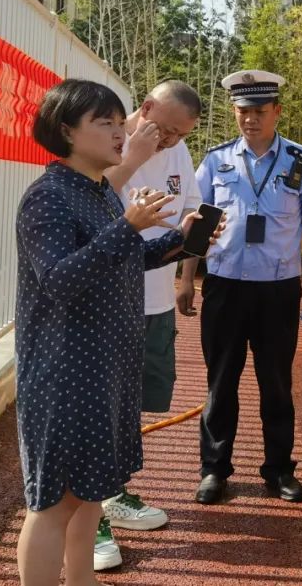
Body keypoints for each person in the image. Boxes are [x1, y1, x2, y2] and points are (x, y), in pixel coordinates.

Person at [14, 79, 224, 586]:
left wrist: (180, 241)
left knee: (88, 498)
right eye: (103, 122)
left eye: (117, 119)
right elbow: (60, 281)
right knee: (56, 504)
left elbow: (127, 259)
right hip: (67, 374)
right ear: (65, 130)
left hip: (104, 369)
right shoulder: (48, 198)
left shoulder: (98, 193)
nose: (118, 132)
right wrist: (127, 227)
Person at [181, 69, 302, 505]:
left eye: (259, 111)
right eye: (242, 111)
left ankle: (279, 470)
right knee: (220, 382)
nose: (250, 119)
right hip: (226, 287)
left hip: (277, 290)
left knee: (276, 383)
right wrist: (188, 279)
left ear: (277, 112)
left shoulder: (301, 161)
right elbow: (199, 224)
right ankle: (214, 470)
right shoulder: (216, 160)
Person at [85, 81, 203, 572]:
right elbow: (90, 213)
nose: (173, 141)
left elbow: (186, 210)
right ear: (147, 108)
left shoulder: (179, 151)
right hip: (106, 306)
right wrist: (131, 158)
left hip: (151, 300)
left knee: (133, 404)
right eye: (169, 130)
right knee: (95, 409)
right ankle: (90, 521)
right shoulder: (109, 149)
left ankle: (113, 492)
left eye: (181, 134)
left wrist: (195, 230)